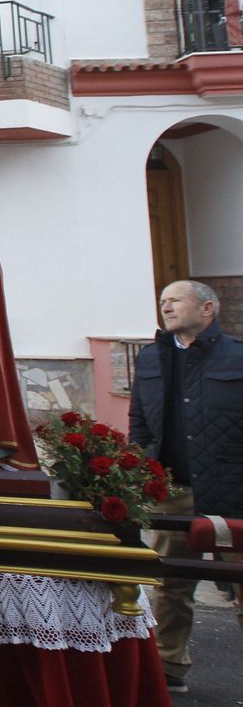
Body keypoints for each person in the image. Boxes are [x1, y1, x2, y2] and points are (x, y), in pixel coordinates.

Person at [129, 280, 243, 694]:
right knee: (170, 583)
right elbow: (139, 421)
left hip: (233, 490)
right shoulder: (151, 358)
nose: (166, 306)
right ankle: (168, 667)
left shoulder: (237, 356)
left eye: (176, 300)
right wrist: (141, 468)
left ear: (207, 308)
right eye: (163, 301)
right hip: (172, 490)